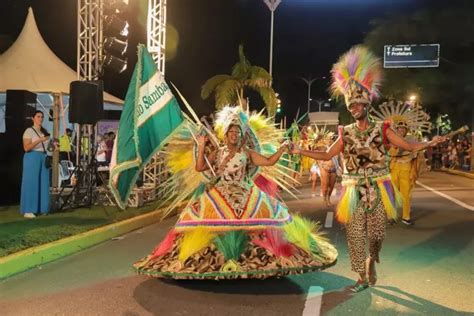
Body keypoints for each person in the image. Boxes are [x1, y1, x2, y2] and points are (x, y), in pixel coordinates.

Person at [291, 46, 446, 292]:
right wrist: (300, 151)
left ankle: (371, 260)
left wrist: (428, 142)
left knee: (376, 236)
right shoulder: (345, 132)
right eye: (350, 106)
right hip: (352, 190)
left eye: (357, 105)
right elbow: (327, 154)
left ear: (365, 104)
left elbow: (406, 144)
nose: (353, 109)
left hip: (379, 187)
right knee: (354, 235)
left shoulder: (382, 128)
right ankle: (361, 276)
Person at [133, 106, 337, 280]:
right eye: (231, 132)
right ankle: (204, 257)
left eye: (237, 132)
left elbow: (268, 162)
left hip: (245, 190)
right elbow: (200, 167)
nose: (234, 135)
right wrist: (202, 147)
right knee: (194, 213)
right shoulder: (218, 152)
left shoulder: (247, 153)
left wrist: (283, 148)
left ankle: (262, 256)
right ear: (225, 134)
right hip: (220, 192)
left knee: (273, 211)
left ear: (242, 135)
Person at [20, 110, 51, 218]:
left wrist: (54, 146)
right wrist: (39, 140)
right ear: (33, 118)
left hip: (43, 157)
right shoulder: (29, 131)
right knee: (31, 182)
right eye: (38, 116)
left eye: (42, 117)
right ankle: (28, 210)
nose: (41, 118)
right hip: (32, 157)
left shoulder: (44, 131)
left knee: (44, 182)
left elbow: (47, 146)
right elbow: (26, 148)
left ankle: (42, 208)